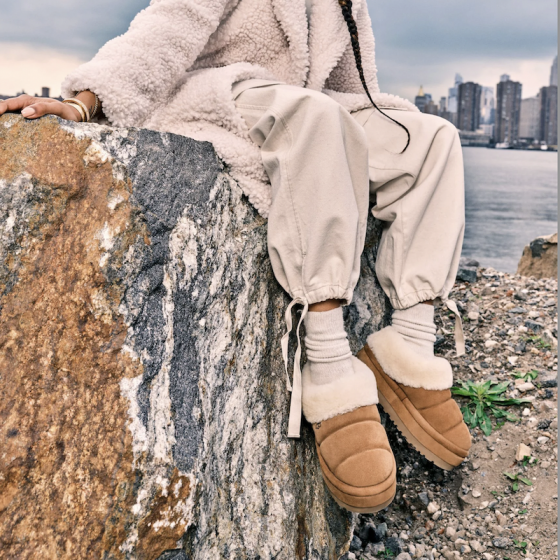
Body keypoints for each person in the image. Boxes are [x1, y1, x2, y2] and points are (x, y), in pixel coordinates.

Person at [0, 0, 471, 513]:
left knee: (431, 137)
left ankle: (409, 346)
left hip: (306, 107)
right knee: (317, 119)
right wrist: (87, 102)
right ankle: (329, 365)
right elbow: (169, 25)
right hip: (219, 95)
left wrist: (376, 138)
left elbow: (355, 89)